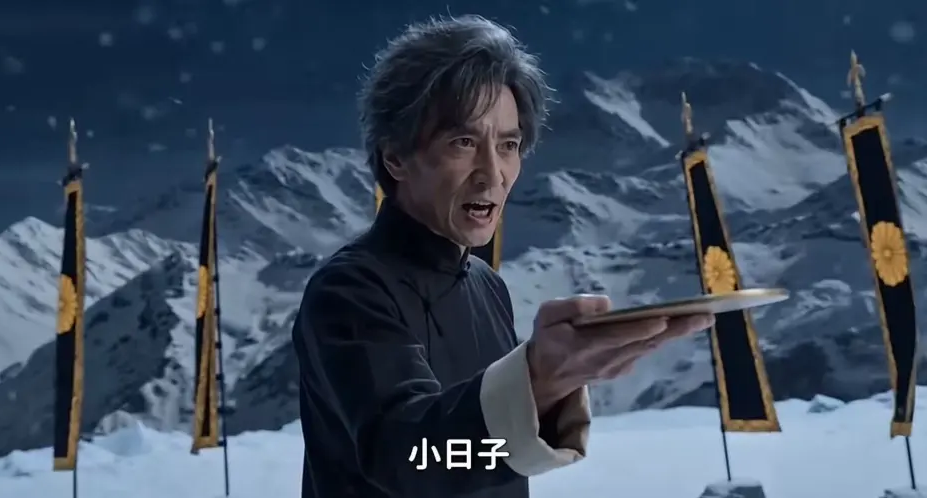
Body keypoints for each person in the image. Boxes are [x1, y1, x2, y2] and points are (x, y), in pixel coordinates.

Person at [291, 15, 716, 498]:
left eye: (509, 145)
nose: (492, 173)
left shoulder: (486, 285)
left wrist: (546, 392)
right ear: (395, 157)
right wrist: (535, 381)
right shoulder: (349, 292)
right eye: (463, 142)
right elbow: (407, 456)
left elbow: (482, 460)